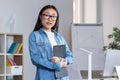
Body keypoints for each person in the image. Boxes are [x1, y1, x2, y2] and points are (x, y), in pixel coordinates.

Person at [28, 5, 73, 80]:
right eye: (46, 15)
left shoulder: (60, 37)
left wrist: (63, 61)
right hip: (45, 77)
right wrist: (56, 65)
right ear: (40, 16)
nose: (50, 19)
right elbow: (35, 59)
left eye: (53, 16)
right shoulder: (34, 36)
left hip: (63, 77)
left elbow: (70, 57)